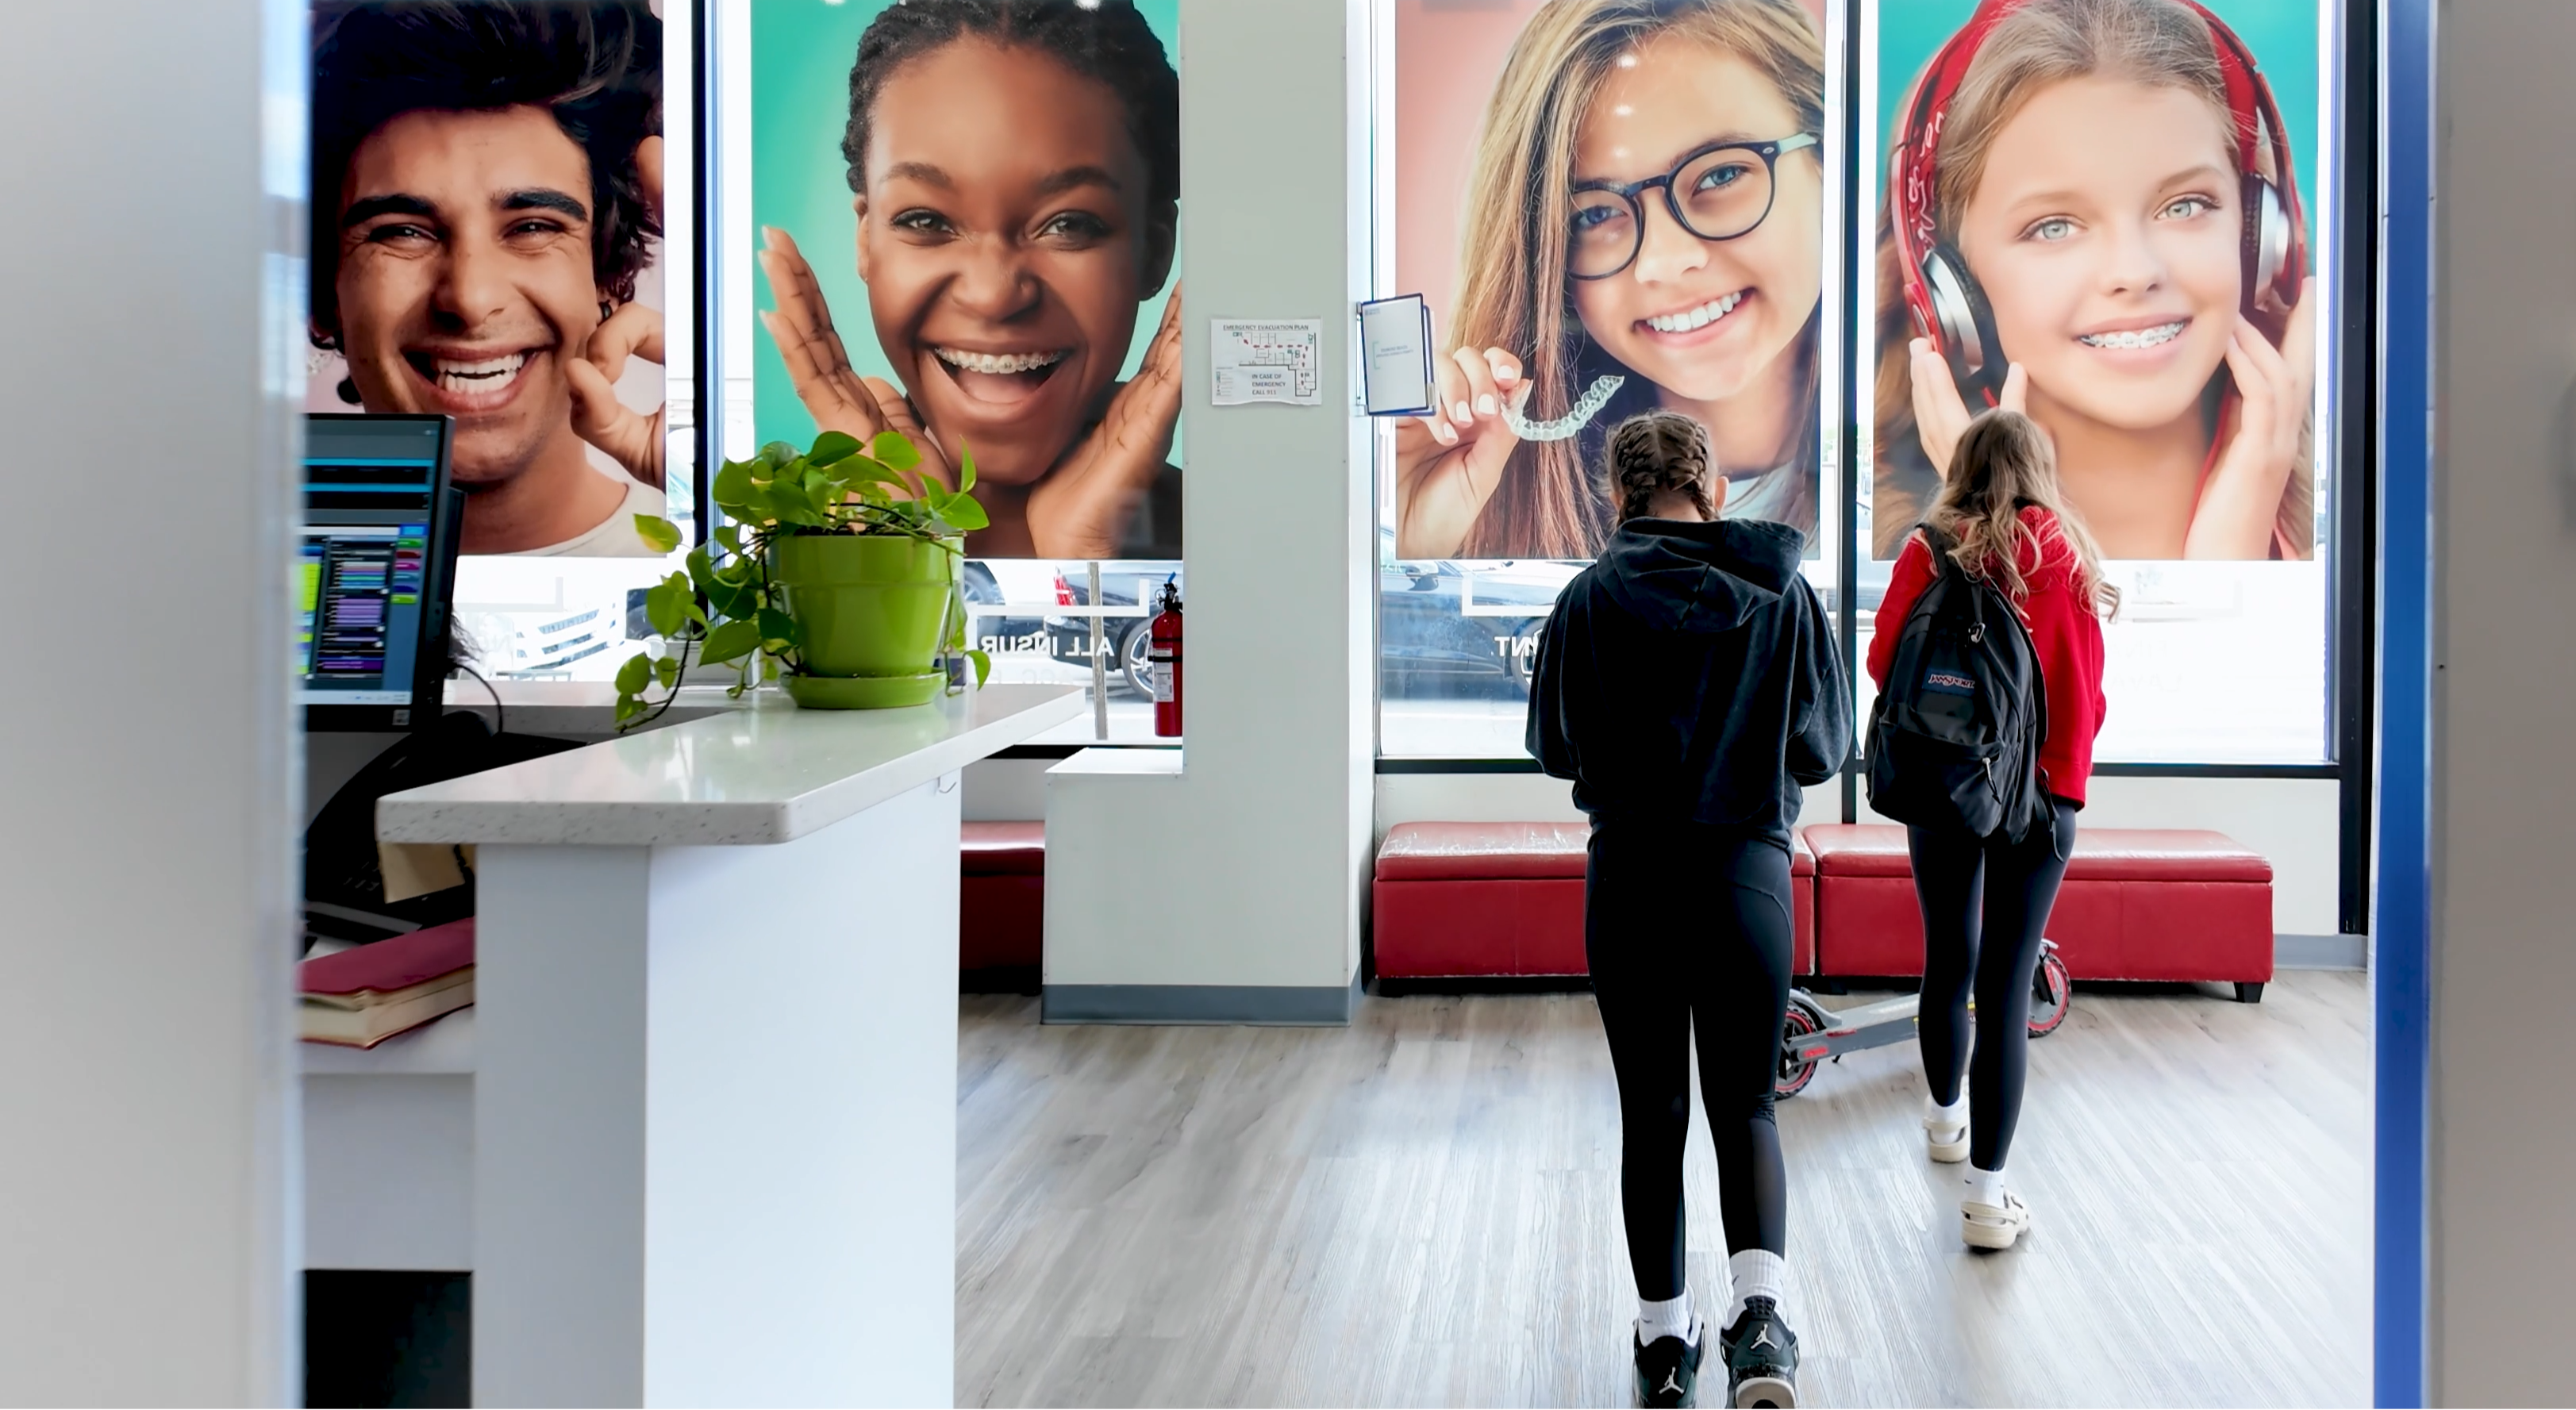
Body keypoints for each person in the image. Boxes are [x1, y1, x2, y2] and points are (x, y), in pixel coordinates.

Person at [1528, 412, 1847, 1409]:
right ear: (1708, 484)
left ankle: (1666, 1344)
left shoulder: (1585, 603)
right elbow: (1822, 749)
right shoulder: (1784, 596)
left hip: (1630, 880)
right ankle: (1761, 1328)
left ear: (1620, 492)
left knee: (1653, 1111)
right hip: (1746, 878)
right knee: (1745, 1106)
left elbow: (1554, 748)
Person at [1871, 0, 2316, 561]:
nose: (2134, 272)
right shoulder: (1877, 578)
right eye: (2053, 226)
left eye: (2184, 206)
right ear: (1950, 288)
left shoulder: (2369, 529)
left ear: (2262, 239)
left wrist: (2235, 565)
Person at [1397, 0, 1827, 563]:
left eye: (1721, 173)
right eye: (1594, 215)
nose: (1665, 262)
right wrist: (1416, 551)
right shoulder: (1499, 500)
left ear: (1827, 158)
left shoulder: (1938, 474)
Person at [757, 0, 1182, 559]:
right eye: (926, 221)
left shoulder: (1247, 544)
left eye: (1069, 224)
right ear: (866, 240)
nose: (993, 294)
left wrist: (1082, 566)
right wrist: (906, 553)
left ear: (1155, 249)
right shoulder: (765, 551)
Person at [1867, 408, 2113, 1251]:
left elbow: (1882, 664)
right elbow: (2080, 694)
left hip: (1946, 781)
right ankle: (1987, 1196)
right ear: (2038, 467)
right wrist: (2061, 789)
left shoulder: (1929, 546)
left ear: (1963, 464)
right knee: (2008, 987)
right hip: (2039, 798)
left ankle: (1942, 1124)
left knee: (1948, 959)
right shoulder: (2060, 550)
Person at [310, 0, 671, 557]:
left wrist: (749, 498)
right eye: (403, 232)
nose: (472, 300)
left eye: (531, 227)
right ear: (323, 295)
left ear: (609, 274)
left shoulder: (733, 560)